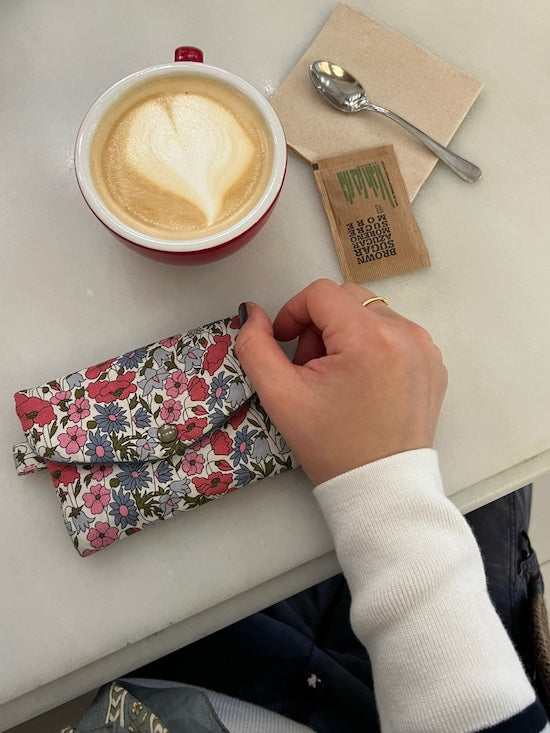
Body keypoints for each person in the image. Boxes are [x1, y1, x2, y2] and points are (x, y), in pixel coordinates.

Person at [68, 279, 549, 733]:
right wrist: (390, 487)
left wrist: (386, 486)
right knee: (491, 474)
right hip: (452, 660)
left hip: (199, 676)